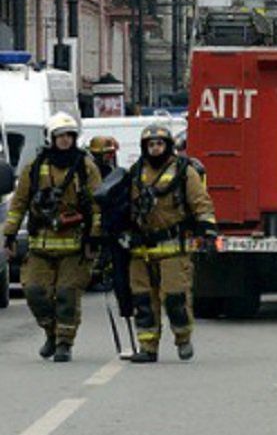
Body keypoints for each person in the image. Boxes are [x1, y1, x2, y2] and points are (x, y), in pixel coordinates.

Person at [2, 112, 101, 362]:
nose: (65, 140)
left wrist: (94, 237)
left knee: (68, 295)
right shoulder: (35, 168)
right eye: (60, 136)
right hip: (40, 244)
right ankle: (51, 332)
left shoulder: (85, 167)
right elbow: (19, 204)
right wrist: (10, 235)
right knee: (35, 292)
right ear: (51, 138)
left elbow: (97, 205)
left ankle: (64, 343)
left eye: (69, 136)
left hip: (74, 246)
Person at [123, 123, 217, 363]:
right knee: (143, 301)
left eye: (160, 144)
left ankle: (183, 338)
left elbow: (200, 202)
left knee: (175, 297)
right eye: (151, 144)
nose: (155, 148)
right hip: (140, 249)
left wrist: (208, 230)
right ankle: (147, 347)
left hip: (173, 247)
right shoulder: (135, 173)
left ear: (168, 146)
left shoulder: (185, 171)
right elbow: (123, 207)